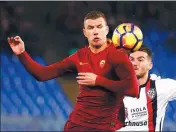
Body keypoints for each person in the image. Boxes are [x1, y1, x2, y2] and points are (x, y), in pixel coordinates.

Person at [7, 11, 139, 132]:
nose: (95, 31)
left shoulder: (117, 56)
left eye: (99, 27)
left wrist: (98, 80)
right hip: (76, 125)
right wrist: (22, 54)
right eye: (90, 28)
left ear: (106, 30)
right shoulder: (80, 56)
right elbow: (42, 74)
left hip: (103, 127)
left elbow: (133, 89)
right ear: (84, 32)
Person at [117, 45, 176, 131]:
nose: (134, 63)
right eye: (131, 59)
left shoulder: (160, 86)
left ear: (150, 65)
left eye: (140, 60)